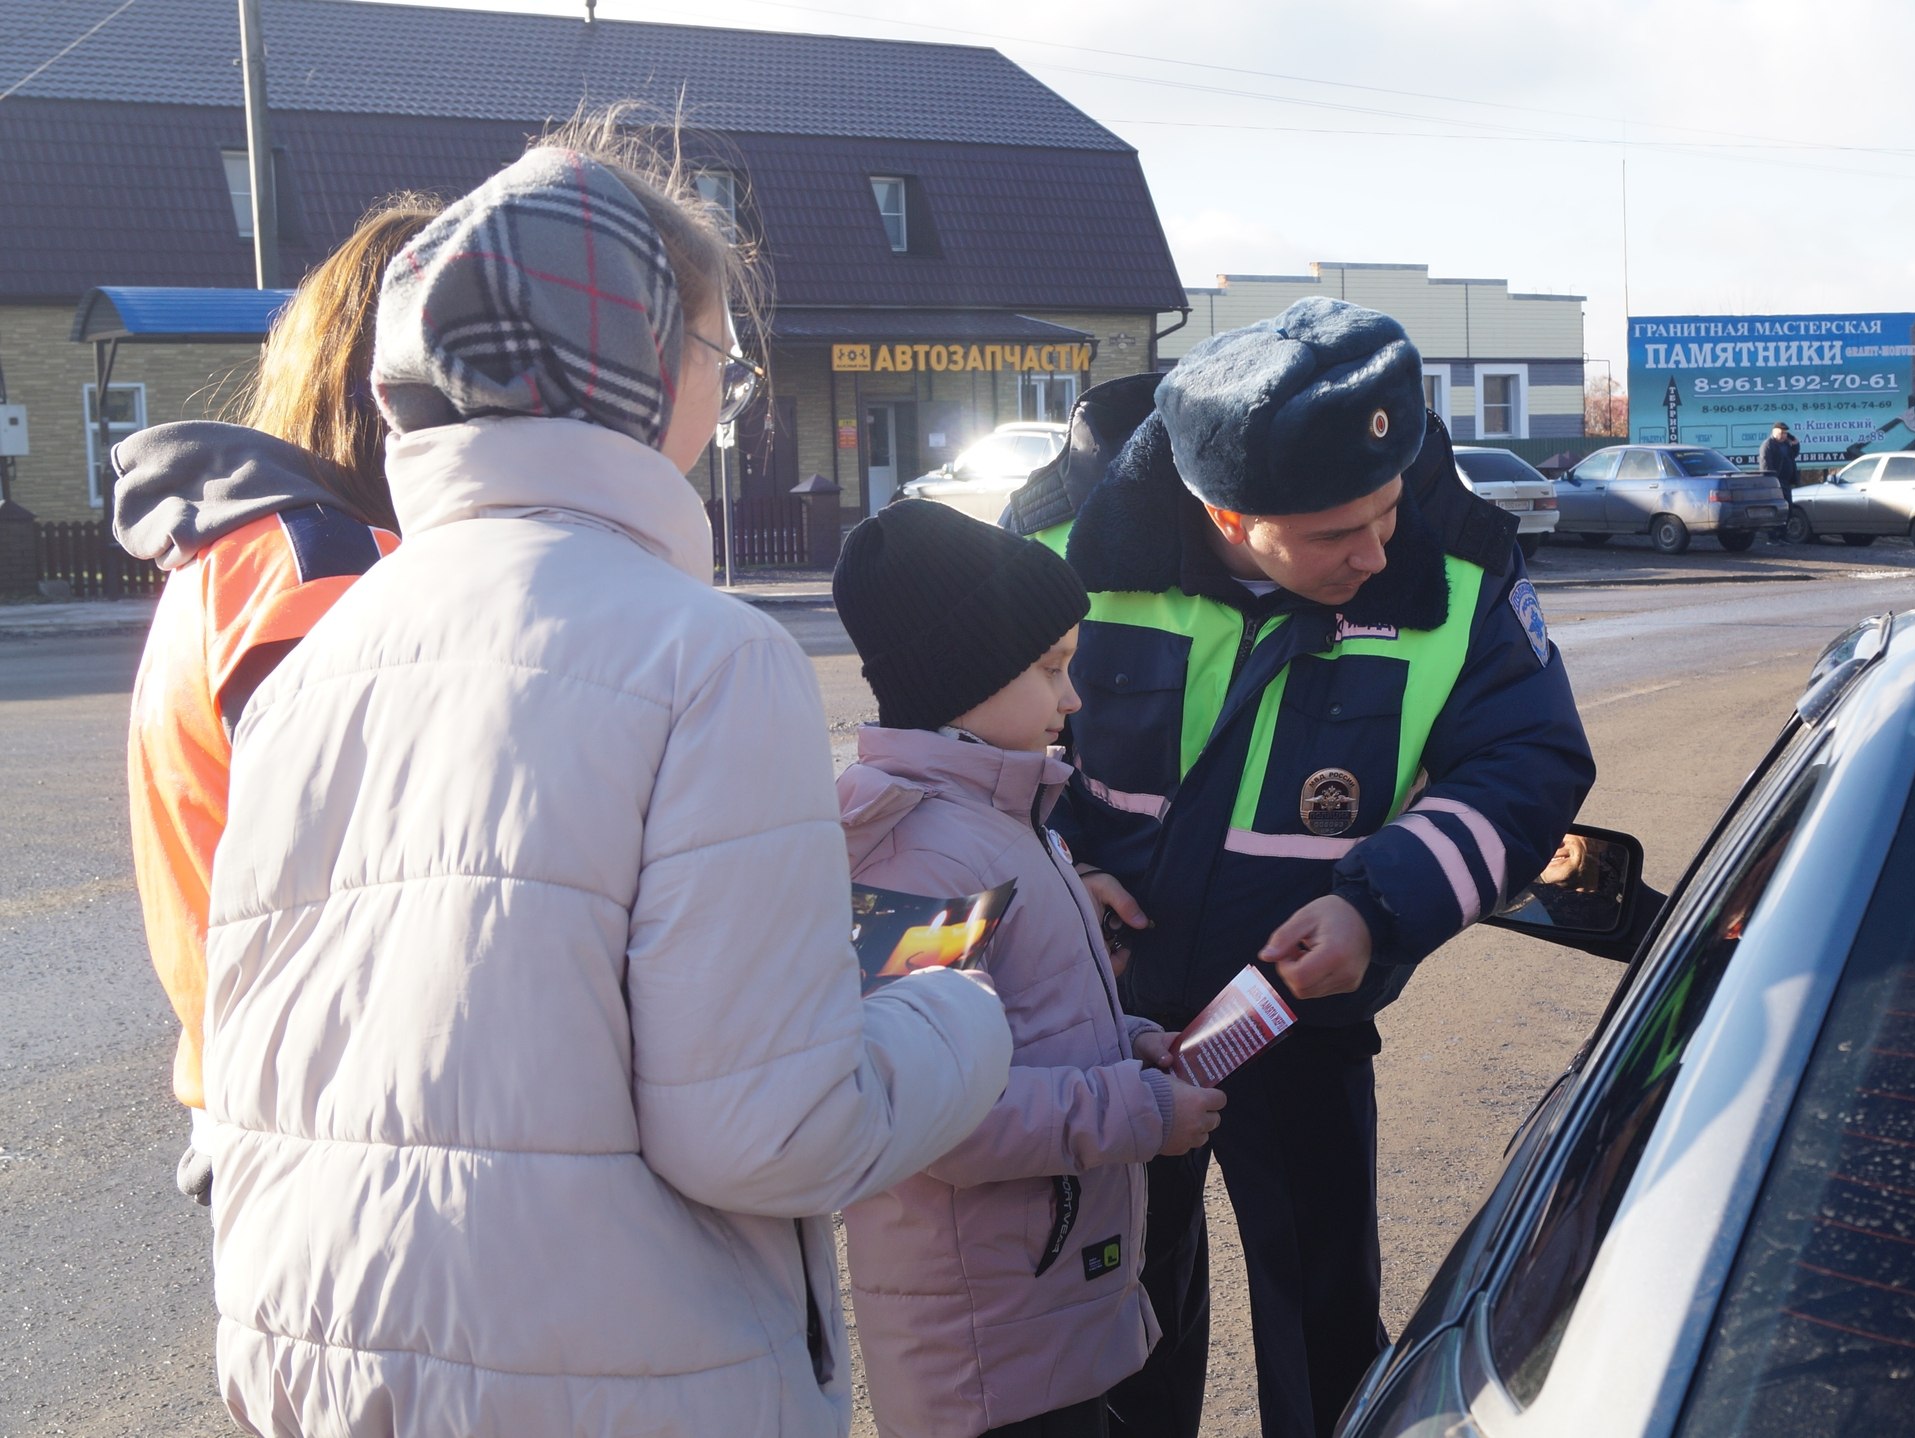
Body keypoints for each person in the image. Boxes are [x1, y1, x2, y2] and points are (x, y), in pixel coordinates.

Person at [198, 125, 1013, 1436]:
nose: (725, 399)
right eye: (722, 362)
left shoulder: (320, 656)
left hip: (323, 1362)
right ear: (643, 368)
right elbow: (773, 1130)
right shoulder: (707, 657)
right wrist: (962, 1017)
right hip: (613, 1379)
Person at [1006, 296, 1597, 1438]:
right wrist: (1055, 872)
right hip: (1093, 1024)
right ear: (1224, 514)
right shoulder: (1053, 550)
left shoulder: (1460, 564)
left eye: (1389, 509)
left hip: (1300, 1018)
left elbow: (1527, 762)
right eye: (1335, 535)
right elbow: (963, 759)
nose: (1377, 553)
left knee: (1326, 1332)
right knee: (1120, 1326)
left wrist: (1376, 910)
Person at [828, 499, 1230, 1438]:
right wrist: (1138, 1112)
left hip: (1032, 1308)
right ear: (960, 677)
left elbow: (1028, 1025)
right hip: (985, 1346)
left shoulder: (999, 819)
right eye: (1051, 667)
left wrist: (1132, 1042)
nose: (1073, 698)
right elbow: (931, 1111)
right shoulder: (924, 856)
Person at [112, 193, 439, 1208]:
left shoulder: (249, 550)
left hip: (267, 1085)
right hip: (332, 1115)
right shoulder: (325, 565)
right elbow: (379, 882)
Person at [1758, 421, 1802, 488]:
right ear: (1774, 433)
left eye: (1785, 433)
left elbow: (1793, 455)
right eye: (1781, 433)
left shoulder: (1786, 444)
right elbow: (1766, 466)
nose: (1784, 435)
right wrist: (1772, 481)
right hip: (1776, 483)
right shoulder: (1768, 445)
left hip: (1787, 482)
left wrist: (1795, 444)